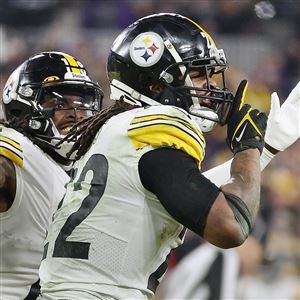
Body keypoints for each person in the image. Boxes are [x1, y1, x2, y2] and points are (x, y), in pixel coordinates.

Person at [38, 14, 298, 299]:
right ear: (156, 85)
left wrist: (267, 147)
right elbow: (230, 227)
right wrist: (247, 147)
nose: (211, 85)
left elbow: (194, 192)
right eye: (199, 74)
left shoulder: (121, 133)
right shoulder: (159, 126)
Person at [0, 51, 103, 299]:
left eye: (82, 104)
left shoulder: (79, 170)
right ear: (22, 108)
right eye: (59, 103)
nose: (76, 114)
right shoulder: (18, 152)